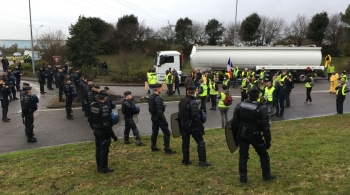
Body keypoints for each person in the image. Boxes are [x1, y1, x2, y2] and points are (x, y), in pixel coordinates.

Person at [231, 86, 276, 183]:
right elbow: (265, 127)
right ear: (259, 96)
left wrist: (236, 137)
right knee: (263, 155)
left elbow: (234, 123)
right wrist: (268, 142)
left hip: (242, 135)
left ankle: (243, 178)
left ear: (248, 95)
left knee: (243, 156)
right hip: (255, 136)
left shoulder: (240, 105)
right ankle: (266, 175)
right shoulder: (262, 108)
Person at [178, 86, 212, 166]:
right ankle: (202, 161)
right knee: (200, 141)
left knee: (185, 142)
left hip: (184, 124)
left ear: (187, 92)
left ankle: (186, 160)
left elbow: (179, 114)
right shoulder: (193, 102)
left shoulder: (182, 100)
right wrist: (201, 128)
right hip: (192, 126)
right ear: (195, 92)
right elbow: (195, 117)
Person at [89, 91, 118, 174]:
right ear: (104, 98)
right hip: (103, 132)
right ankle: (104, 168)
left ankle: (99, 166)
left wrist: (93, 127)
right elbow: (106, 124)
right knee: (104, 150)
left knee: (98, 149)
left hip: (96, 130)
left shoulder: (93, 105)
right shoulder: (104, 107)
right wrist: (112, 135)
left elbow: (90, 119)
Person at [148, 83, 176, 154]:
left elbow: (150, 109)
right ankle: (167, 149)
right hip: (159, 118)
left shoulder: (151, 97)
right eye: (161, 88)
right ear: (157, 89)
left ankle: (153, 146)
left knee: (155, 132)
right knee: (167, 133)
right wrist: (164, 120)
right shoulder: (158, 98)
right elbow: (160, 111)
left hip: (153, 117)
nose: (162, 89)